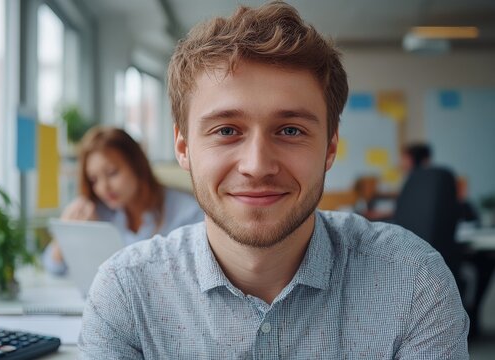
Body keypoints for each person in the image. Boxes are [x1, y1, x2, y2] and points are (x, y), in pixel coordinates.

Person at [79, 2, 469, 358]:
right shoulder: (126, 293)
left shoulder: (412, 282)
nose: (257, 165)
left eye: (291, 131)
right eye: (227, 131)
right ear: (183, 147)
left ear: (330, 147)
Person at [42, 126, 204, 275]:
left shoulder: (187, 212)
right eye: (93, 180)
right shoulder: (98, 212)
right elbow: (53, 266)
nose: (103, 188)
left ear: (136, 165)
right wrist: (68, 232)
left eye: (112, 173)